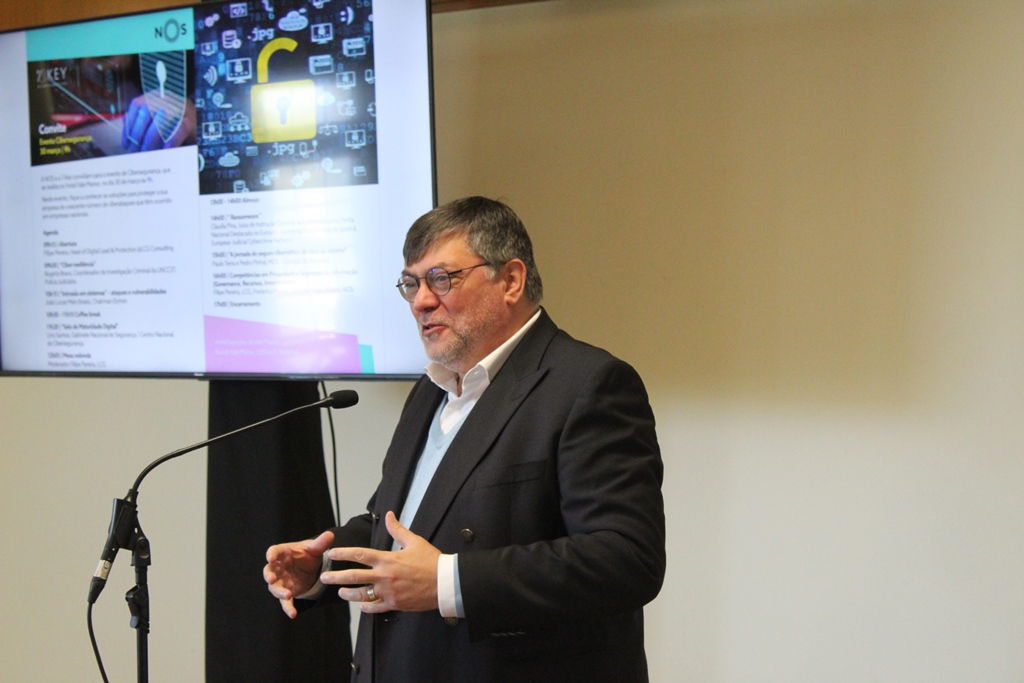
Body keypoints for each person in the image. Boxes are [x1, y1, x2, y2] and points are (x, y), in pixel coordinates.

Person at [264, 196, 665, 682]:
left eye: (441, 279)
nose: (421, 301)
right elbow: (400, 525)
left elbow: (625, 560)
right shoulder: (431, 389)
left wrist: (446, 582)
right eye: (411, 284)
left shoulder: (588, 384)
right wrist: (322, 568)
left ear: (510, 280)